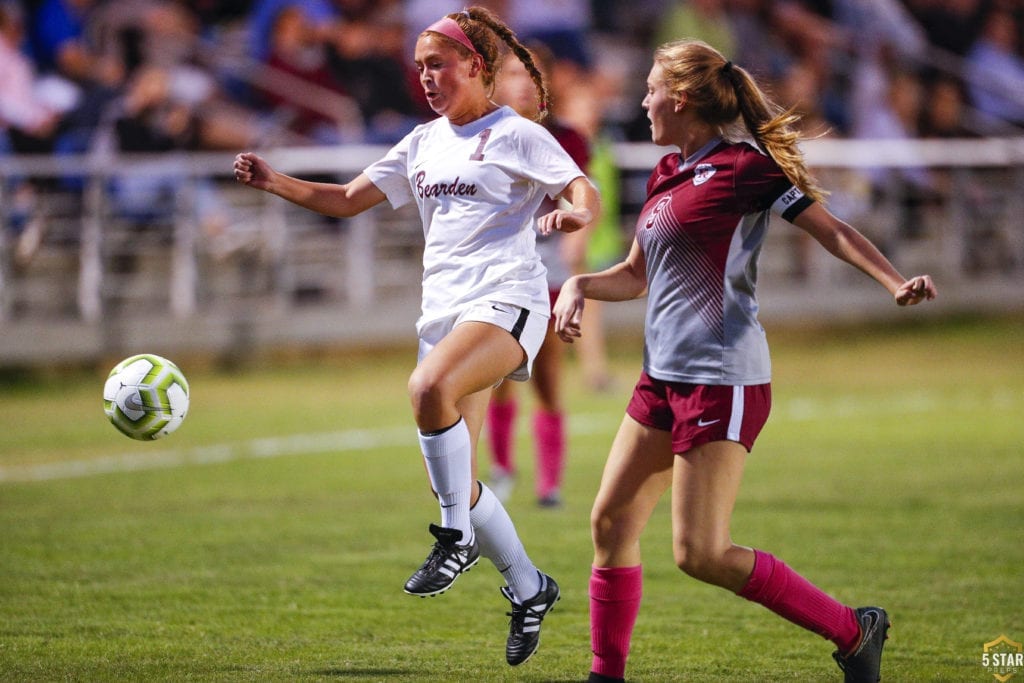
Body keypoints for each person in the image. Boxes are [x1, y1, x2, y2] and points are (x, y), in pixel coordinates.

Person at [551, 40, 936, 683]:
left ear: (678, 98)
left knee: (701, 553)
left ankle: (854, 629)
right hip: (662, 379)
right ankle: (604, 675)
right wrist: (581, 286)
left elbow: (831, 228)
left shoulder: (744, 168)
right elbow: (635, 276)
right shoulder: (665, 171)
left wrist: (892, 281)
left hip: (721, 379)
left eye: (649, 90)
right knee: (611, 521)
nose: (641, 101)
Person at [233, 6, 600, 667]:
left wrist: (574, 212)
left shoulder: (513, 133)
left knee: (427, 389)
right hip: (444, 316)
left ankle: (454, 538)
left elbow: (580, 185)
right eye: (420, 66)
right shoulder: (422, 140)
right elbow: (347, 199)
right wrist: (273, 181)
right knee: (459, 477)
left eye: (439, 64)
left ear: (477, 67)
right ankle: (528, 584)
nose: (426, 76)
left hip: (509, 300)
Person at [486, 43, 592, 508]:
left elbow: (582, 199)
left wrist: (577, 238)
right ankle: (502, 469)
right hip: (495, 263)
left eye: (531, 73)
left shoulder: (566, 136)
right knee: (495, 372)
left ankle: (549, 484)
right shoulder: (481, 135)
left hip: (545, 260)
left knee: (547, 371)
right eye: (512, 72)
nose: (523, 81)